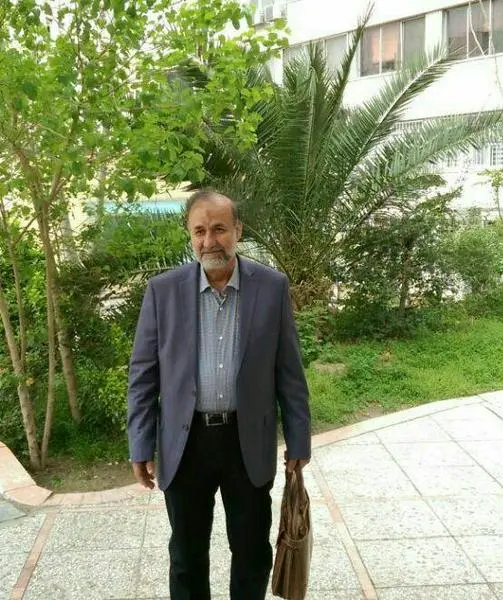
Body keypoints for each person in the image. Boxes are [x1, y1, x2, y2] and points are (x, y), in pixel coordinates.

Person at [127, 189, 311, 600]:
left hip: (248, 442)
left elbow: (289, 371)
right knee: (187, 555)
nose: (209, 241)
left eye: (219, 229)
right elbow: (143, 376)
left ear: (238, 231)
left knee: (251, 552)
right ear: (190, 235)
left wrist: (299, 439)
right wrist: (140, 444)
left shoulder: (271, 287)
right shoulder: (163, 291)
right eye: (200, 231)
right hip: (185, 443)